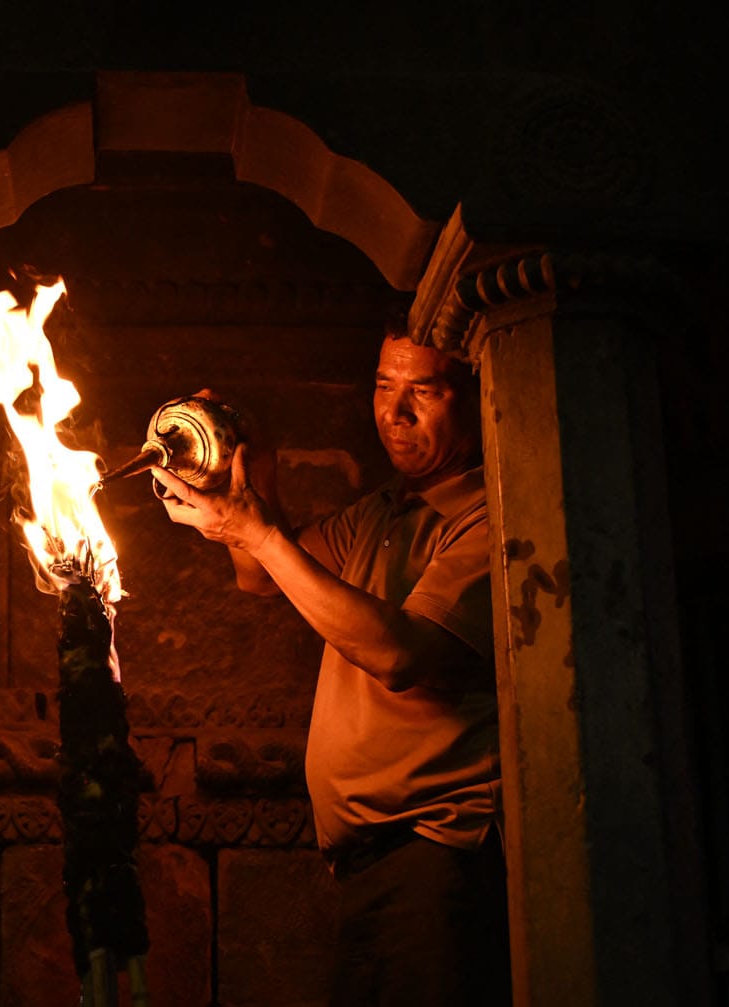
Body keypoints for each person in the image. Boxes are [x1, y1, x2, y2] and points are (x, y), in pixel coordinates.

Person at [149, 328, 510, 1006]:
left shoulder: (490, 514)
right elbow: (266, 575)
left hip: (439, 855)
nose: (393, 415)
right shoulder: (384, 512)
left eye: (422, 393)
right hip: (370, 865)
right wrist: (246, 472)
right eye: (383, 387)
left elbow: (401, 654)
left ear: (473, 396)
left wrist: (251, 529)